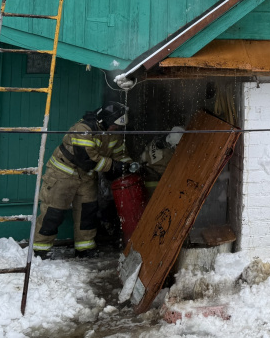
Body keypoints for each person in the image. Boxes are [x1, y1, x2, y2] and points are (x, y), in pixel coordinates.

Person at [32, 101, 137, 259]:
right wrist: (115, 166)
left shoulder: (114, 134)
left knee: (87, 213)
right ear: (105, 120)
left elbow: (120, 154)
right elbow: (88, 159)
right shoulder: (83, 129)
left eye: (119, 127)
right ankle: (40, 249)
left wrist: (129, 166)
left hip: (87, 177)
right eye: (115, 125)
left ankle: (84, 248)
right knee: (53, 212)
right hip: (63, 174)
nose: (116, 129)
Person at [139, 126, 185, 197]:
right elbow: (171, 172)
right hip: (153, 183)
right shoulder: (168, 156)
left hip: (143, 173)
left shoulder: (157, 139)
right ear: (175, 145)